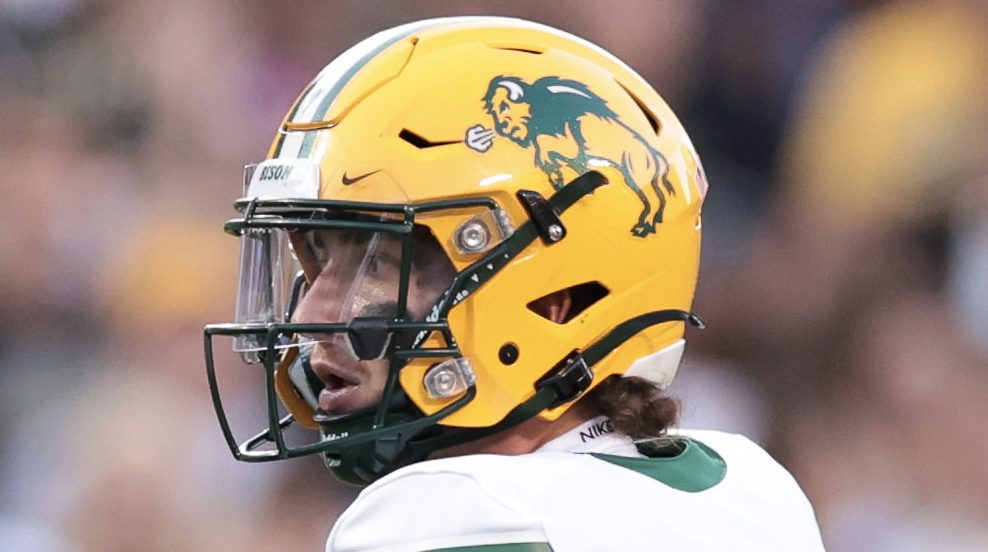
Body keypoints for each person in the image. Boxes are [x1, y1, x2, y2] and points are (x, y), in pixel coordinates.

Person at [204, 16, 825, 551]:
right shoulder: (751, 488)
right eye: (317, 261)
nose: (312, 312)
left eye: (383, 264)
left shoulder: (443, 514)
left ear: (557, 300)